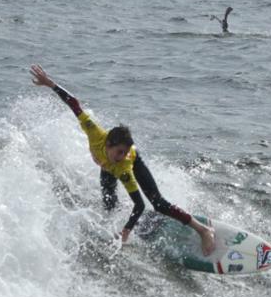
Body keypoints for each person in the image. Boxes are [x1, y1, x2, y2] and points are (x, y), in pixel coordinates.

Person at [30, 64, 216, 255]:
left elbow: (140, 204)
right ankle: (134, 222)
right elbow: (74, 104)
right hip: (106, 166)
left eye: (124, 152)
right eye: (119, 152)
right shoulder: (94, 132)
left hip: (133, 164)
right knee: (109, 203)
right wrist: (50, 84)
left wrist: (126, 230)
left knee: (157, 203)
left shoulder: (124, 164)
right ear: (108, 144)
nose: (122, 156)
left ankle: (203, 230)